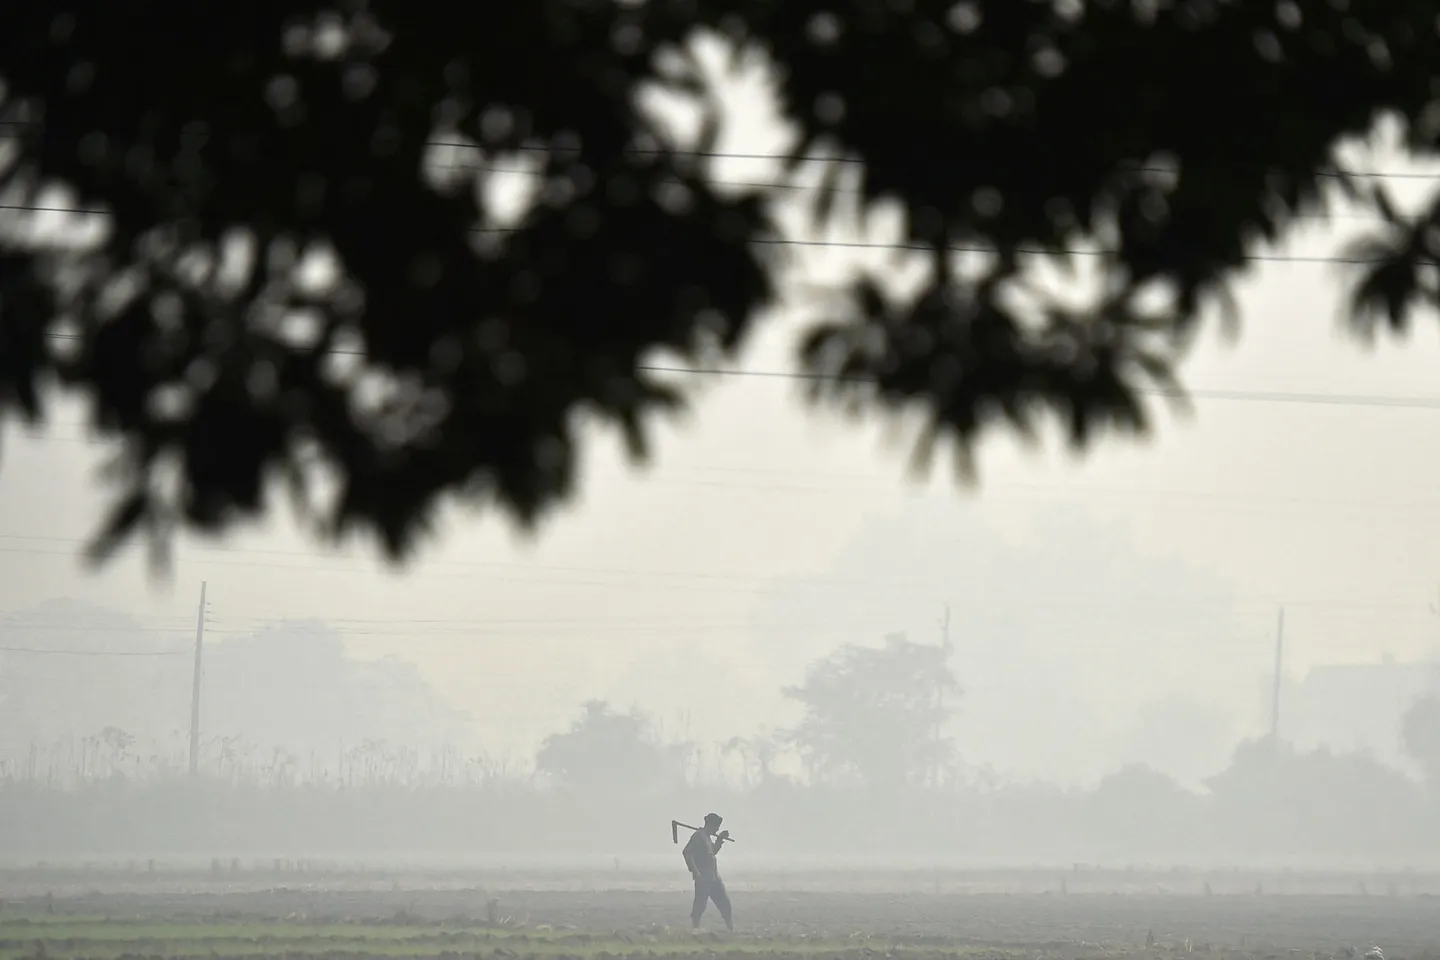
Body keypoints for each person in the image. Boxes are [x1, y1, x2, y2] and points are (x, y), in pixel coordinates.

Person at [681, 812, 733, 930]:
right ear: (710, 825)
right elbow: (687, 852)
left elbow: (712, 852)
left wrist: (719, 840)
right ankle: (696, 928)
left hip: (714, 877)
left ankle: (730, 928)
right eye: (716, 827)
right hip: (703, 877)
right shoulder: (698, 836)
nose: (717, 829)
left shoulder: (707, 837)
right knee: (700, 905)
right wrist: (695, 871)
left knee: (724, 903)